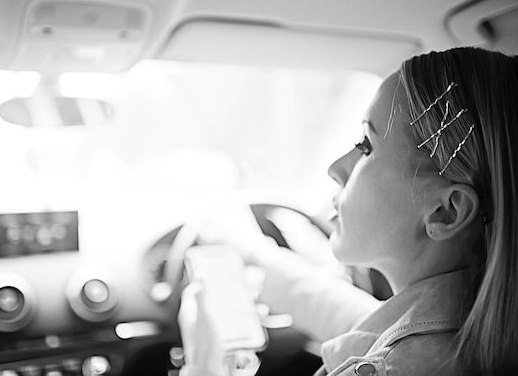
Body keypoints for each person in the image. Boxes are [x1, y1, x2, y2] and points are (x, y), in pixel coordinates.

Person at [178, 47, 518, 376]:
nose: (335, 168)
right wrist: (259, 258)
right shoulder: (472, 332)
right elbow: (369, 325)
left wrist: (203, 365)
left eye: (366, 147)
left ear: (445, 211)